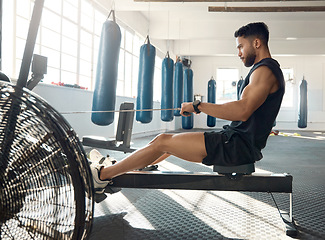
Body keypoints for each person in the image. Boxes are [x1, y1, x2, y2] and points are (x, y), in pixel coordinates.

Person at [90, 22, 285, 193]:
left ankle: (102, 175)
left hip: (236, 147)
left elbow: (242, 111)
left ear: (257, 43)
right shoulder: (262, 71)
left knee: (162, 142)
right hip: (234, 142)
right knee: (164, 142)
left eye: (241, 47)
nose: (239, 53)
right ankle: (125, 166)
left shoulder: (265, 70)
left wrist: (198, 106)